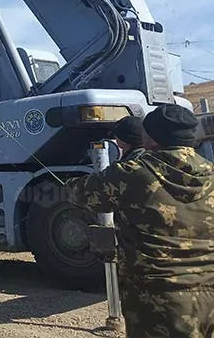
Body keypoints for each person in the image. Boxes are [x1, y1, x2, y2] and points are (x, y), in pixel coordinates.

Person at [66, 104, 214, 337]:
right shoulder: (210, 171)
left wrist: (68, 183)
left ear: (153, 139)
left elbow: (81, 194)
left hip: (159, 298)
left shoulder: (134, 172)